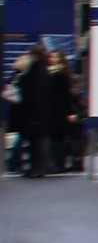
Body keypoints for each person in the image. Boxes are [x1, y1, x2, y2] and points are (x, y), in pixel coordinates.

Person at [10, 45, 57, 177]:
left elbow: (36, 94)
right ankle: (38, 167)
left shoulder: (37, 72)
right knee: (37, 142)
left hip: (36, 113)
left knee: (38, 142)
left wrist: (35, 115)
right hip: (39, 113)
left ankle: (40, 167)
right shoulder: (41, 71)